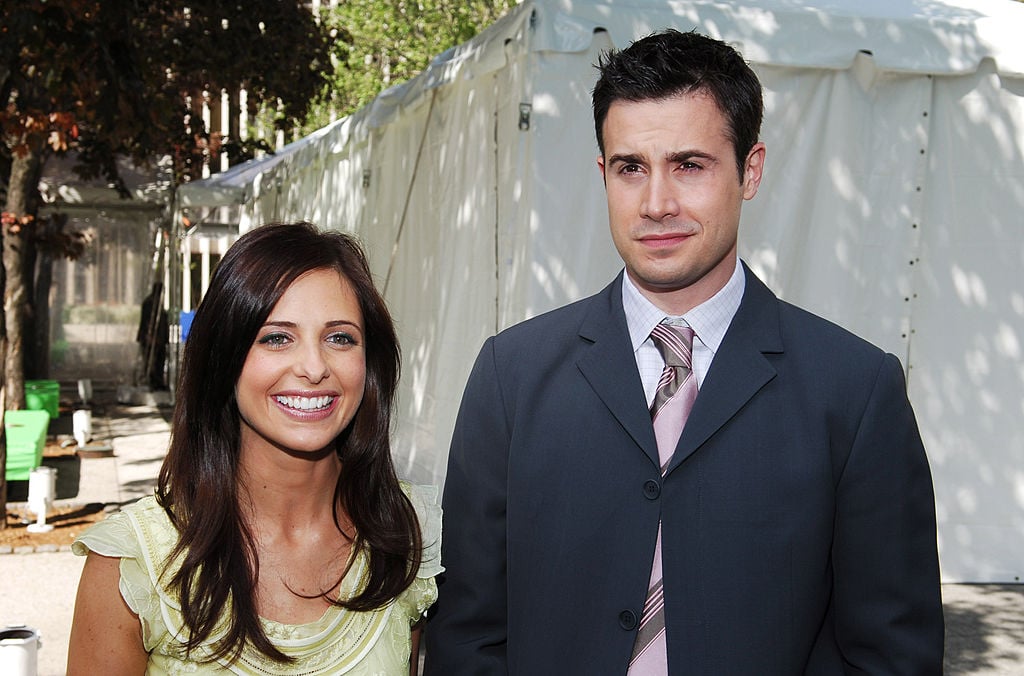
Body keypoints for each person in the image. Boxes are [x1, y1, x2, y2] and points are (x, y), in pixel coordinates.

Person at [424, 29, 943, 674]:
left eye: (689, 166)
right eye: (630, 168)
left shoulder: (855, 390)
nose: (656, 204)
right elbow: (468, 633)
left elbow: (892, 652)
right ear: (603, 174)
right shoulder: (511, 376)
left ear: (749, 171)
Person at [68, 222, 441, 675]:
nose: (313, 367)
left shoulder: (403, 533)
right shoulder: (134, 562)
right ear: (223, 359)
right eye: (276, 337)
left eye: (340, 337)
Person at [137, 282, 169, 390]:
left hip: (158, 339)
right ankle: (152, 381)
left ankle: (157, 381)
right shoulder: (149, 304)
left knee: (159, 360)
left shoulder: (157, 304)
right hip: (151, 339)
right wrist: (149, 336)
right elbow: (147, 321)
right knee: (151, 361)